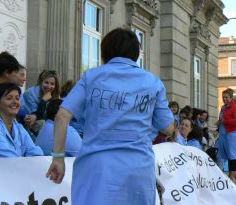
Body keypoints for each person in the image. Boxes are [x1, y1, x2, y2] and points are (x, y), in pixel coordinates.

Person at [46, 28, 174, 205]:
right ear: (136, 54)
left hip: (97, 168)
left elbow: (62, 116)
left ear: (105, 51)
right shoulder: (153, 82)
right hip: (137, 168)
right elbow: (167, 127)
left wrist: (58, 157)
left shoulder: (91, 76)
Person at [0, 83, 43, 158]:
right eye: (9, 98)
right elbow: (10, 159)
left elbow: (35, 152)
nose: (15, 102)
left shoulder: (17, 126)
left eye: (17, 98)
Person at [217, 88, 236, 183]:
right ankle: (230, 174)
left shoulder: (235, 106)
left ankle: (232, 175)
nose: (224, 99)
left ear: (231, 97)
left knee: (233, 154)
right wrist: (219, 124)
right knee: (227, 154)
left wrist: (224, 121)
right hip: (224, 133)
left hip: (232, 133)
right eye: (223, 97)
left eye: (226, 97)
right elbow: (221, 119)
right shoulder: (224, 107)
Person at [21, 70, 60, 134]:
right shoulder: (30, 93)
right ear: (41, 82)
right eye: (46, 83)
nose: (49, 86)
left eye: (52, 84)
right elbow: (36, 117)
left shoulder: (54, 95)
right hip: (29, 128)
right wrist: (43, 101)